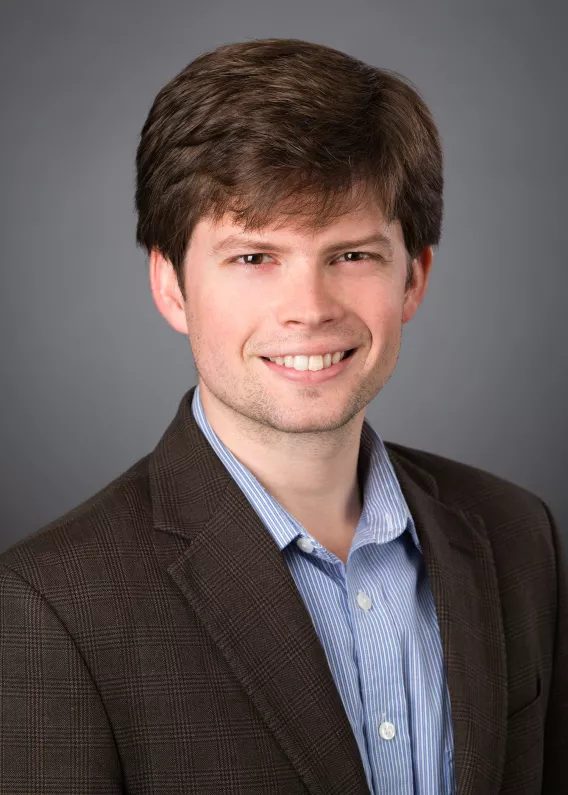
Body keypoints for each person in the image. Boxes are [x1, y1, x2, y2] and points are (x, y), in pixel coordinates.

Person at [0, 37, 565, 795]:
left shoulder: (518, 535)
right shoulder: (51, 606)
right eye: (254, 258)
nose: (309, 309)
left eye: (352, 255)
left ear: (413, 278)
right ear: (171, 285)